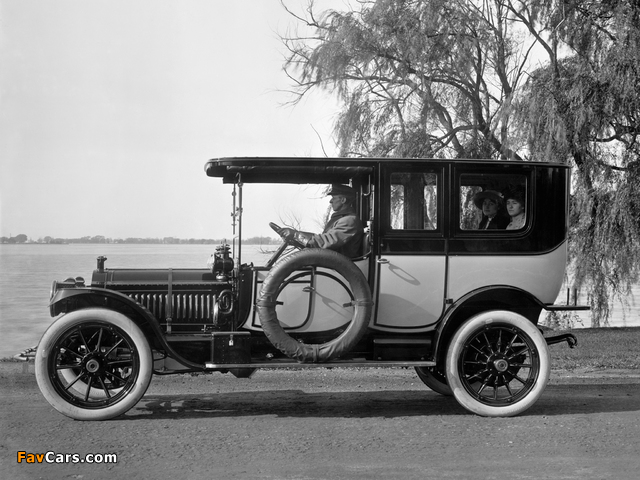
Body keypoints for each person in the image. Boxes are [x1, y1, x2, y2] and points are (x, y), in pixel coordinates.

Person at [276, 184, 364, 258]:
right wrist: (298, 237)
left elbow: (326, 241)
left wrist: (296, 235)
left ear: (343, 200)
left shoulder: (349, 220)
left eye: (333, 198)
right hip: (332, 264)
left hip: (339, 268)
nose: (330, 201)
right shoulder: (341, 219)